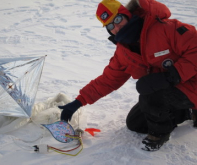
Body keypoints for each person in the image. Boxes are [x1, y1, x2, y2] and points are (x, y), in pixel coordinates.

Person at [58, 0, 197, 151]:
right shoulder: (124, 52)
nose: (116, 27)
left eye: (118, 19)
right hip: (168, 90)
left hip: (192, 83)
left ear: (128, 15)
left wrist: (173, 75)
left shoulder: (164, 28)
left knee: (147, 88)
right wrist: (79, 101)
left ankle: (159, 134)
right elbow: (108, 80)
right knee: (135, 123)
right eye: (110, 26)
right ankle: (187, 111)